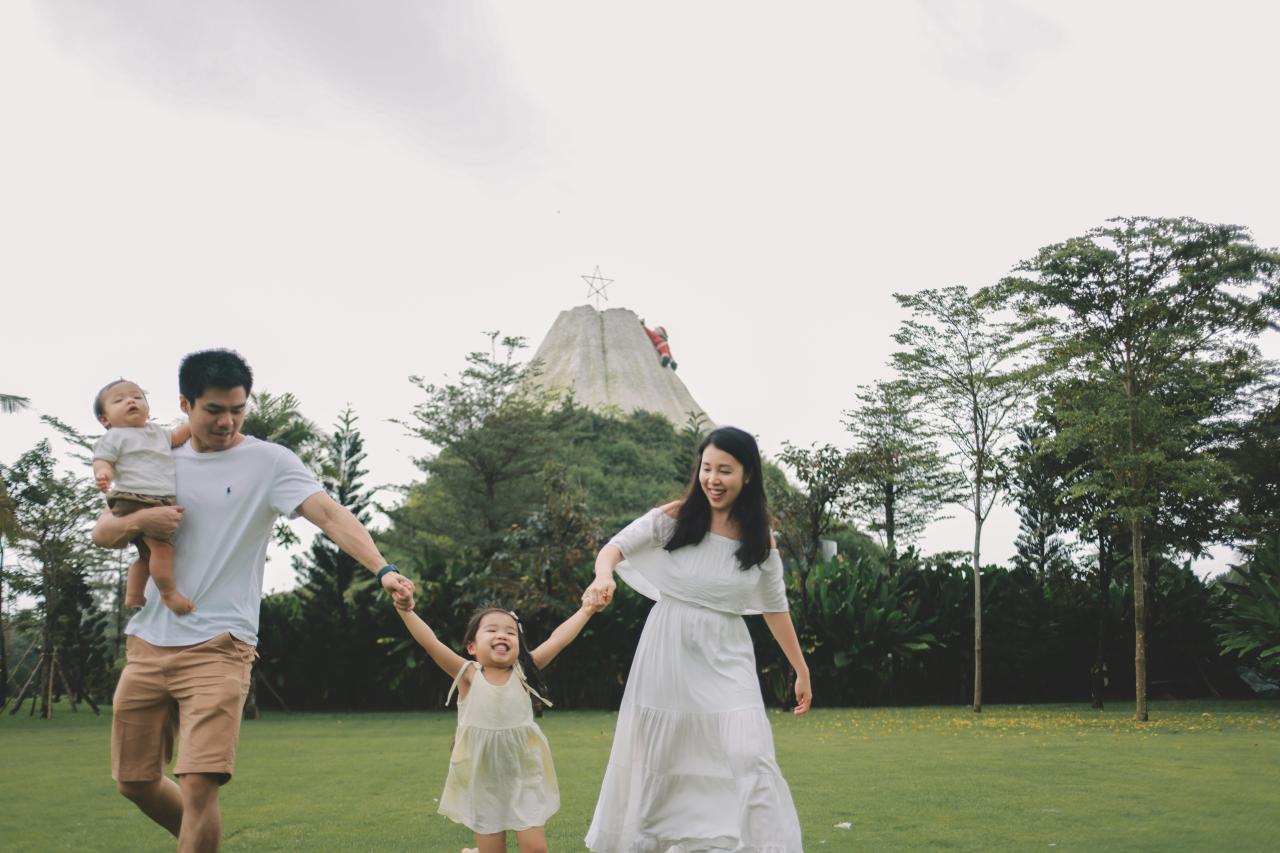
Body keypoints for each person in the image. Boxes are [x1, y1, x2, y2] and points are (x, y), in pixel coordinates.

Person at [92, 349, 414, 853]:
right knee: (133, 781)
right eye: (214, 410)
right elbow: (105, 530)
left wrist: (384, 569)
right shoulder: (156, 455)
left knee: (199, 786)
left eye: (237, 409)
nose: (227, 421)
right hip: (148, 642)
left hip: (221, 644)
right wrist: (141, 523)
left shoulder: (269, 462)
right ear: (185, 403)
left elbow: (330, 515)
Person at [583, 426, 811, 852]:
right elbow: (615, 547)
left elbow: (775, 608)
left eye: (725, 470)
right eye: (707, 468)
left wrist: (801, 669)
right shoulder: (674, 518)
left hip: (727, 651)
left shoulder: (760, 538)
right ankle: (656, 841)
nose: (713, 479)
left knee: (750, 751)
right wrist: (603, 575)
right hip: (668, 645)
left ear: (748, 476)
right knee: (661, 755)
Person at [392, 593, 602, 853]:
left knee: (536, 849)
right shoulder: (468, 675)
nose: (502, 635)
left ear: (519, 645)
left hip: (523, 774)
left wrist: (587, 609)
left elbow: (557, 640)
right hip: (483, 779)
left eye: (511, 632)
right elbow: (431, 644)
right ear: (471, 647)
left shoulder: (524, 672)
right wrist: (406, 610)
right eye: (491, 630)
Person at [92, 379, 195, 614]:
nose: (131, 401)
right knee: (162, 549)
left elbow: (178, 437)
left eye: (137, 397)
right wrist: (103, 473)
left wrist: (194, 422)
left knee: (146, 555)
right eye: (119, 400)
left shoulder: (156, 432)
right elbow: (102, 459)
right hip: (135, 497)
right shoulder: (115, 436)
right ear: (105, 419)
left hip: (153, 498)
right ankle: (169, 594)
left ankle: (134, 595)